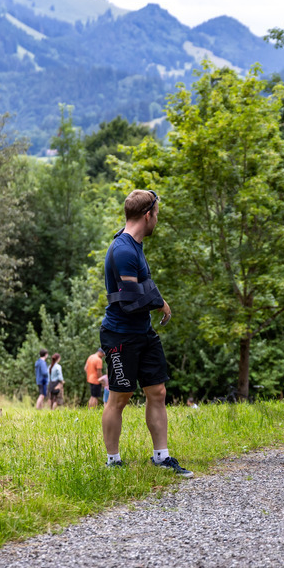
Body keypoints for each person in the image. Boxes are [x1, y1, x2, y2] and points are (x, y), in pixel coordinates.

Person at [99, 189, 192, 477]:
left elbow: (145, 285)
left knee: (158, 391)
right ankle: (113, 461)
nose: (157, 221)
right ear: (147, 215)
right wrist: (158, 303)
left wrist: (159, 301)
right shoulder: (124, 250)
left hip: (143, 331)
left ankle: (161, 457)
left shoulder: (134, 244)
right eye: (157, 215)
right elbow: (129, 300)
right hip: (120, 335)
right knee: (120, 397)